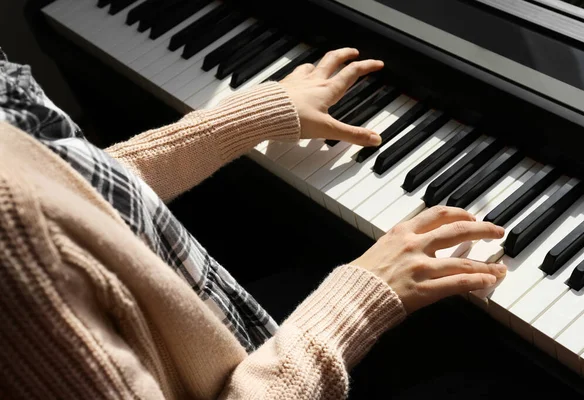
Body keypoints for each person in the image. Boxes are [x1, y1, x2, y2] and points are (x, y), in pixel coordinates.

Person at [0, 46, 506, 399]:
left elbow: (67, 190)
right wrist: (361, 297)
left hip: (213, 331)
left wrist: (239, 119)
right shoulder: (12, 236)